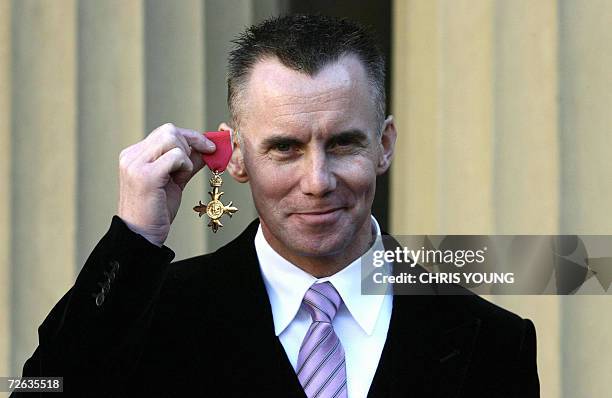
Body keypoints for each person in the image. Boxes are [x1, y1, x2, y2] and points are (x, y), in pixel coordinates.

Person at [15, 15, 539, 397]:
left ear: (384, 145)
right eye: (285, 147)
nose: (317, 182)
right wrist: (131, 241)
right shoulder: (154, 313)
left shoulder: (494, 339)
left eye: (343, 144)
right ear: (236, 155)